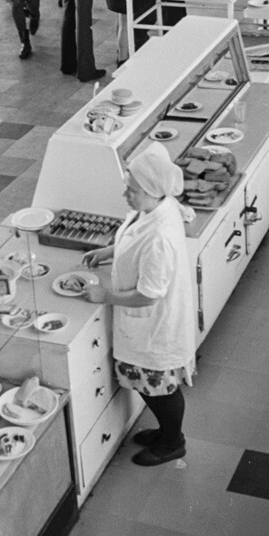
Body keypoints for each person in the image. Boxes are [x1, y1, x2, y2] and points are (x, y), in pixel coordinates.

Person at [81, 143, 196, 467]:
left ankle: (174, 442)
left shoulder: (161, 235)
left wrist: (107, 297)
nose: (125, 195)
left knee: (158, 386)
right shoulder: (151, 207)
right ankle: (165, 433)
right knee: (150, 383)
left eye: (130, 190)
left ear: (149, 190)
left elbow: (149, 294)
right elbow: (132, 238)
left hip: (154, 322)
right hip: (146, 322)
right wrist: (108, 252)